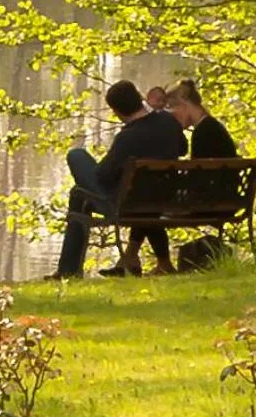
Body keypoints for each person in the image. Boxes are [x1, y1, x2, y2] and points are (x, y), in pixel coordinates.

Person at [53, 79, 185, 280]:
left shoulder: (127, 137)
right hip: (163, 198)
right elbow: (183, 148)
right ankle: (67, 271)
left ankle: (68, 271)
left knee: (77, 156)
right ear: (140, 98)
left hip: (124, 204)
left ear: (117, 112)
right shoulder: (168, 122)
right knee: (78, 196)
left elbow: (103, 177)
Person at [105, 78, 238, 276]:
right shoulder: (211, 127)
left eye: (171, 109)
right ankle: (141, 259)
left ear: (184, 104)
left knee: (148, 201)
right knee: (149, 197)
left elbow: (200, 179)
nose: (172, 116)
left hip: (209, 203)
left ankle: (138, 259)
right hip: (225, 200)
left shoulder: (204, 133)